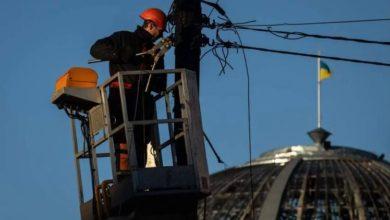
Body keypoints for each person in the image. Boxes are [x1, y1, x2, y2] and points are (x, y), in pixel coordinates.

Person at [90, 8, 167, 169]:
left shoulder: (155, 52)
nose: (161, 35)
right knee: (122, 140)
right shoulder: (124, 38)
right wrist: (120, 53)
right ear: (151, 25)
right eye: (160, 31)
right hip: (121, 97)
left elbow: (160, 86)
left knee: (141, 143)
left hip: (142, 103)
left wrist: (153, 66)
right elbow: (96, 49)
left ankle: (139, 173)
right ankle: (124, 177)